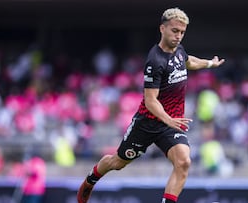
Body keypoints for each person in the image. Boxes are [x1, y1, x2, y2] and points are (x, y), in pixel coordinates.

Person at [77, 7, 225, 203]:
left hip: (169, 125)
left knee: (184, 162)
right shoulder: (155, 60)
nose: (179, 36)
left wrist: (208, 64)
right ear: (162, 29)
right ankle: (91, 179)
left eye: (182, 32)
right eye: (175, 31)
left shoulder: (179, 50)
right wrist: (169, 119)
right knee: (118, 162)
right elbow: (150, 100)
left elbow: (188, 62)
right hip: (147, 123)